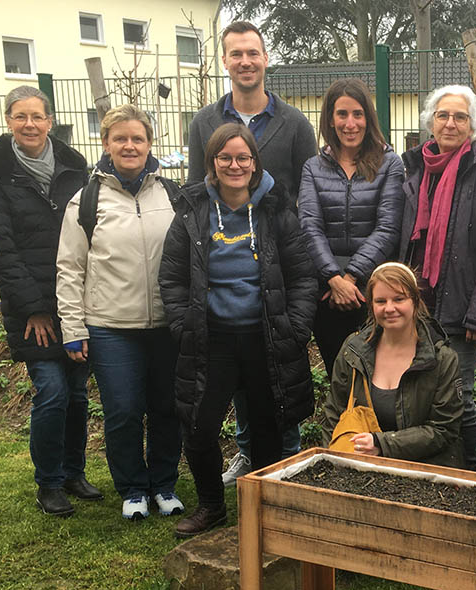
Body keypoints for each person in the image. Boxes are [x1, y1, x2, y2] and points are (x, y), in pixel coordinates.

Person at [160, 123, 316, 537]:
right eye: (225, 158)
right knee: (199, 424)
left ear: (254, 162)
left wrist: (295, 328)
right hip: (210, 338)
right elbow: (172, 277)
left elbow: (302, 275)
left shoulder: (277, 210)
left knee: (269, 425)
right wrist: (183, 325)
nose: (234, 165)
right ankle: (211, 506)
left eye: (242, 158)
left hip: (266, 334)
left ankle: (259, 508)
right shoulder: (192, 213)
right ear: (212, 163)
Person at [186, 20, 317, 484]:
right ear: (225, 60)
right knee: (241, 376)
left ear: (266, 59)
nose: (245, 61)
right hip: (225, 256)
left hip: (275, 268)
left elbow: (306, 195)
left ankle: (289, 462)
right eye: (236, 53)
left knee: (275, 380)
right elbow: (195, 192)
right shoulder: (204, 121)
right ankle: (248, 454)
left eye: (253, 53)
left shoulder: (295, 123)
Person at [0, 86, 101, 519]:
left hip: (77, 302)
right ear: (8, 121)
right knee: (51, 391)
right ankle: (48, 482)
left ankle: (74, 472)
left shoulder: (76, 168)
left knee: (78, 393)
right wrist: (34, 307)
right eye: (20, 116)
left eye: (37, 116)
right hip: (32, 309)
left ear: (50, 120)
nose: (29, 124)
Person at [55, 104, 184, 522]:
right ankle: (132, 488)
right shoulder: (86, 200)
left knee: (167, 409)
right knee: (124, 411)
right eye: (120, 139)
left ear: (150, 144)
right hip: (111, 327)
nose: (130, 146)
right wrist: (72, 327)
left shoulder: (173, 194)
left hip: (168, 324)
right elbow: (70, 267)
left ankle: (163, 485)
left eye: (138, 139)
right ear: (106, 144)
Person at [399, 85, 476, 466]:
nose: (450, 123)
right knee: (425, 391)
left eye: (460, 116)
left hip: (463, 307)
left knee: (459, 393)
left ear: (473, 124)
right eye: (443, 115)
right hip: (419, 303)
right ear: (431, 122)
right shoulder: (414, 166)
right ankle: (445, 465)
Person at [299, 78, 405, 379]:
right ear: (330, 120)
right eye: (342, 114)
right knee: (340, 375)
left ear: (368, 118)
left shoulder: (389, 164)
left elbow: (387, 227)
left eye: (358, 114)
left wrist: (351, 278)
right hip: (326, 292)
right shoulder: (313, 168)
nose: (350, 123)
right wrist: (333, 278)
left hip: (373, 290)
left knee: (379, 375)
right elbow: (309, 226)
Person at [322, 262, 462, 467]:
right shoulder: (352, 351)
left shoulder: (442, 359)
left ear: (415, 301)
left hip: (426, 469)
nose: (389, 308)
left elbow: (444, 429)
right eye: (380, 301)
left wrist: (383, 444)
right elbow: (333, 413)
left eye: (398, 299)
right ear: (371, 305)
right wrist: (334, 463)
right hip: (359, 467)